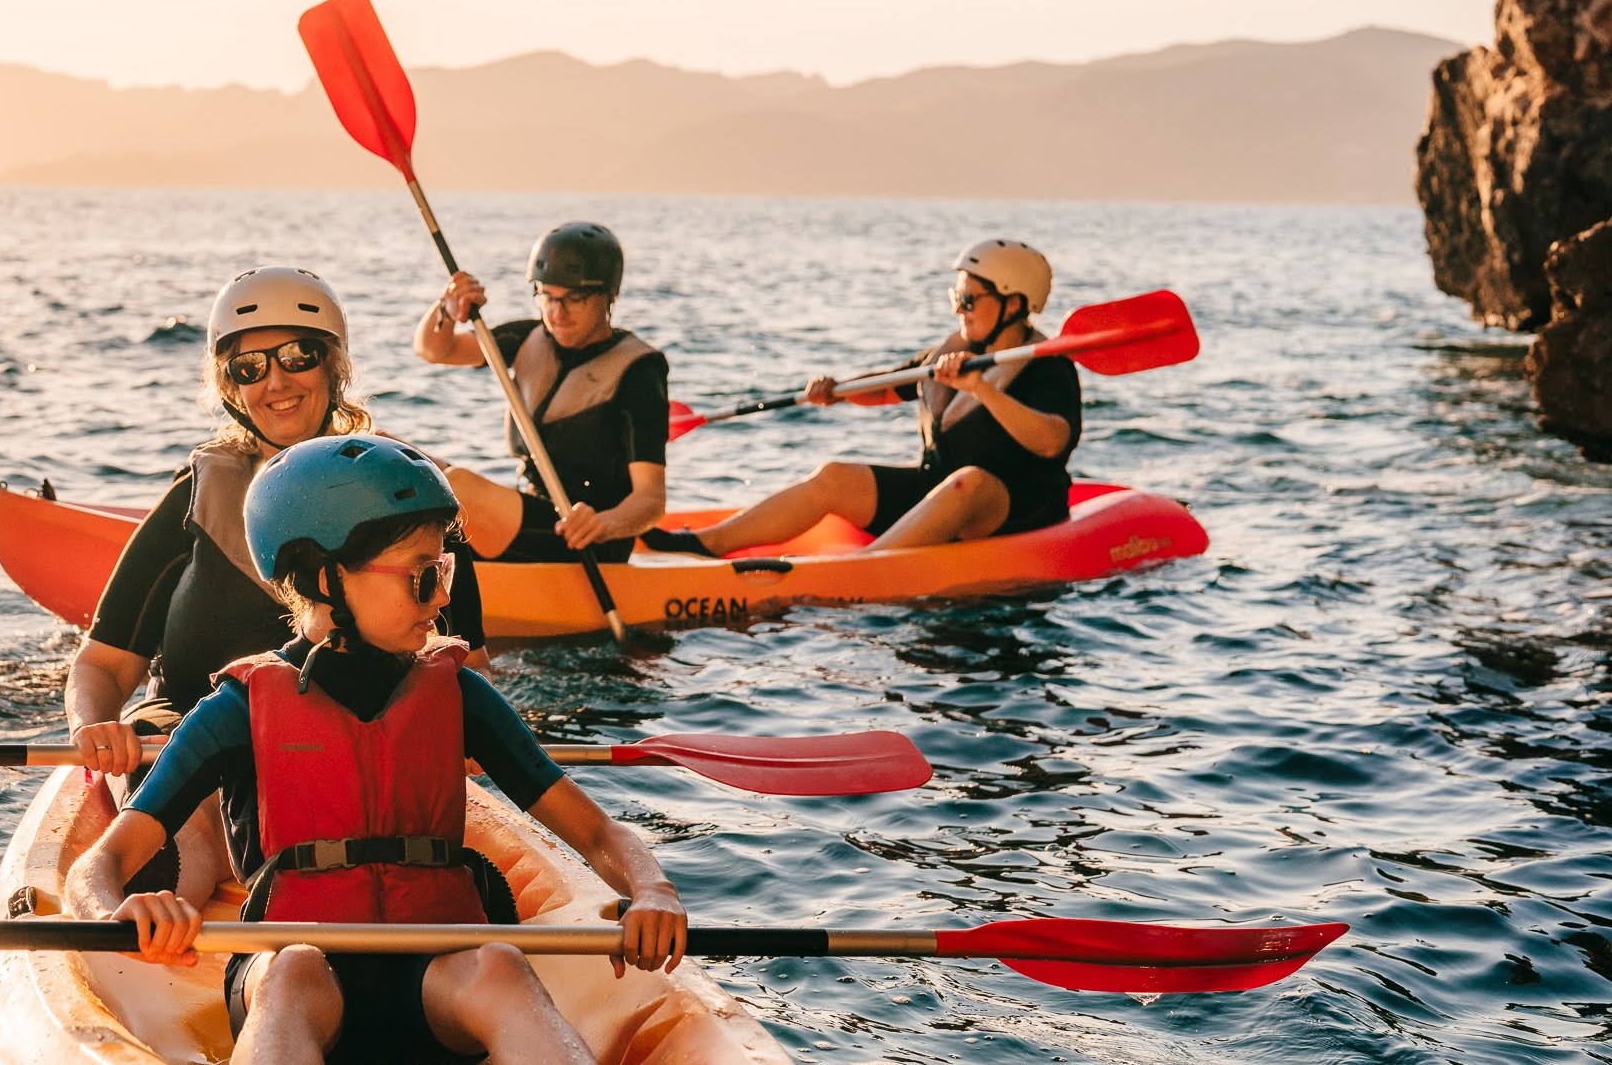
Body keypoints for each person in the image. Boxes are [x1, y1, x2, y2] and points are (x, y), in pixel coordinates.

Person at [66, 434, 688, 1065]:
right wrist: (121, 909)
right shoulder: (237, 709)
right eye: (423, 577)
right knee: (296, 968)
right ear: (324, 578)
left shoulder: (461, 695)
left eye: (443, 571)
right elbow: (98, 866)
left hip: (438, 980)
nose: (443, 599)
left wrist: (653, 889)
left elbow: (600, 833)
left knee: (500, 963)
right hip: (296, 980)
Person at [65, 266, 488, 900]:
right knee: (197, 818)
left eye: (298, 356)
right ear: (228, 386)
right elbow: (101, 663)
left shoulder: (409, 496)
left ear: (334, 366)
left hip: (351, 741)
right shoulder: (197, 495)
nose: (276, 381)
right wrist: (94, 729)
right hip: (188, 736)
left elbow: (469, 669)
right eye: (248, 367)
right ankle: (169, 914)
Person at [643, 239, 1081, 556]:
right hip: (936, 491)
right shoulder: (952, 354)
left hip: (1011, 507)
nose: (958, 308)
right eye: (956, 296)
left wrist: (981, 389)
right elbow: (890, 388)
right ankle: (707, 543)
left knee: (969, 481)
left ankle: (866, 568)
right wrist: (838, 393)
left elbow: (1050, 441)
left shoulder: (1048, 366)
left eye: (969, 298)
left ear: (1015, 303)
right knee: (835, 475)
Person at [410, 221, 668, 564]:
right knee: (388, 452)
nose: (557, 313)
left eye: (574, 299)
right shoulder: (527, 338)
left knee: (460, 486)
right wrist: (447, 307)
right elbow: (434, 349)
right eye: (547, 296)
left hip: (586, 538)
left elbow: (650, 499)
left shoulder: (639, 370)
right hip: (528, 518)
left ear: (610, 296)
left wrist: (603, 525)